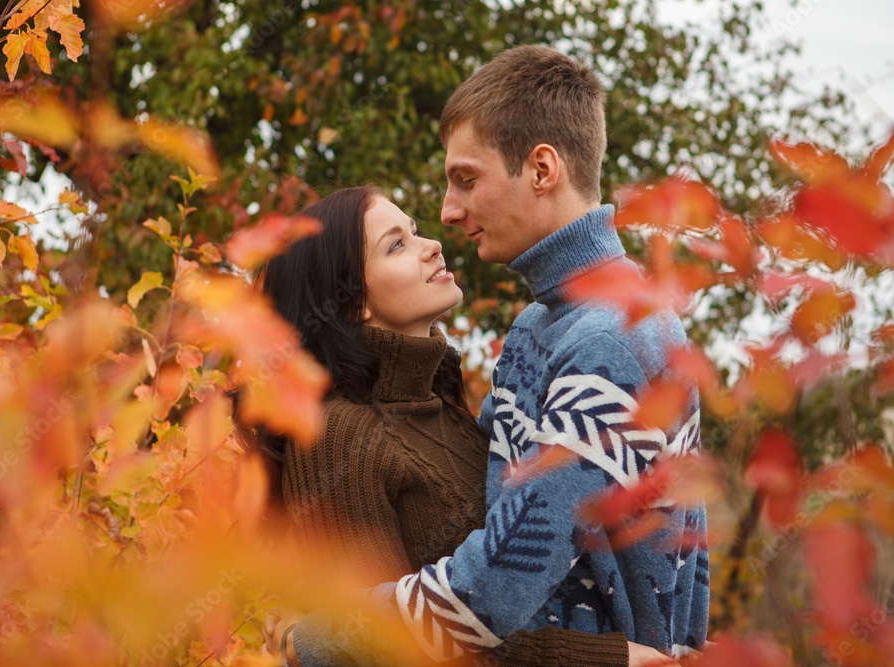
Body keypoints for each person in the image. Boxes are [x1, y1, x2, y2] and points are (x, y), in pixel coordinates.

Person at [273, 45, 709, 666]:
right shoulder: (539, 327)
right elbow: (489, 515)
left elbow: (502, 577)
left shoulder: (609, 340)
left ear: (541, 169)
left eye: (467, 179)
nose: (449, 213)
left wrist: (320, 638)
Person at [251, 185, 670, 666]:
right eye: (397, 245)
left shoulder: (445, 407)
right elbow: (385, 648)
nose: (431, 245)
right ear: (351, 303)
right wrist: (604, 659)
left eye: (415, 231)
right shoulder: (335, 437)